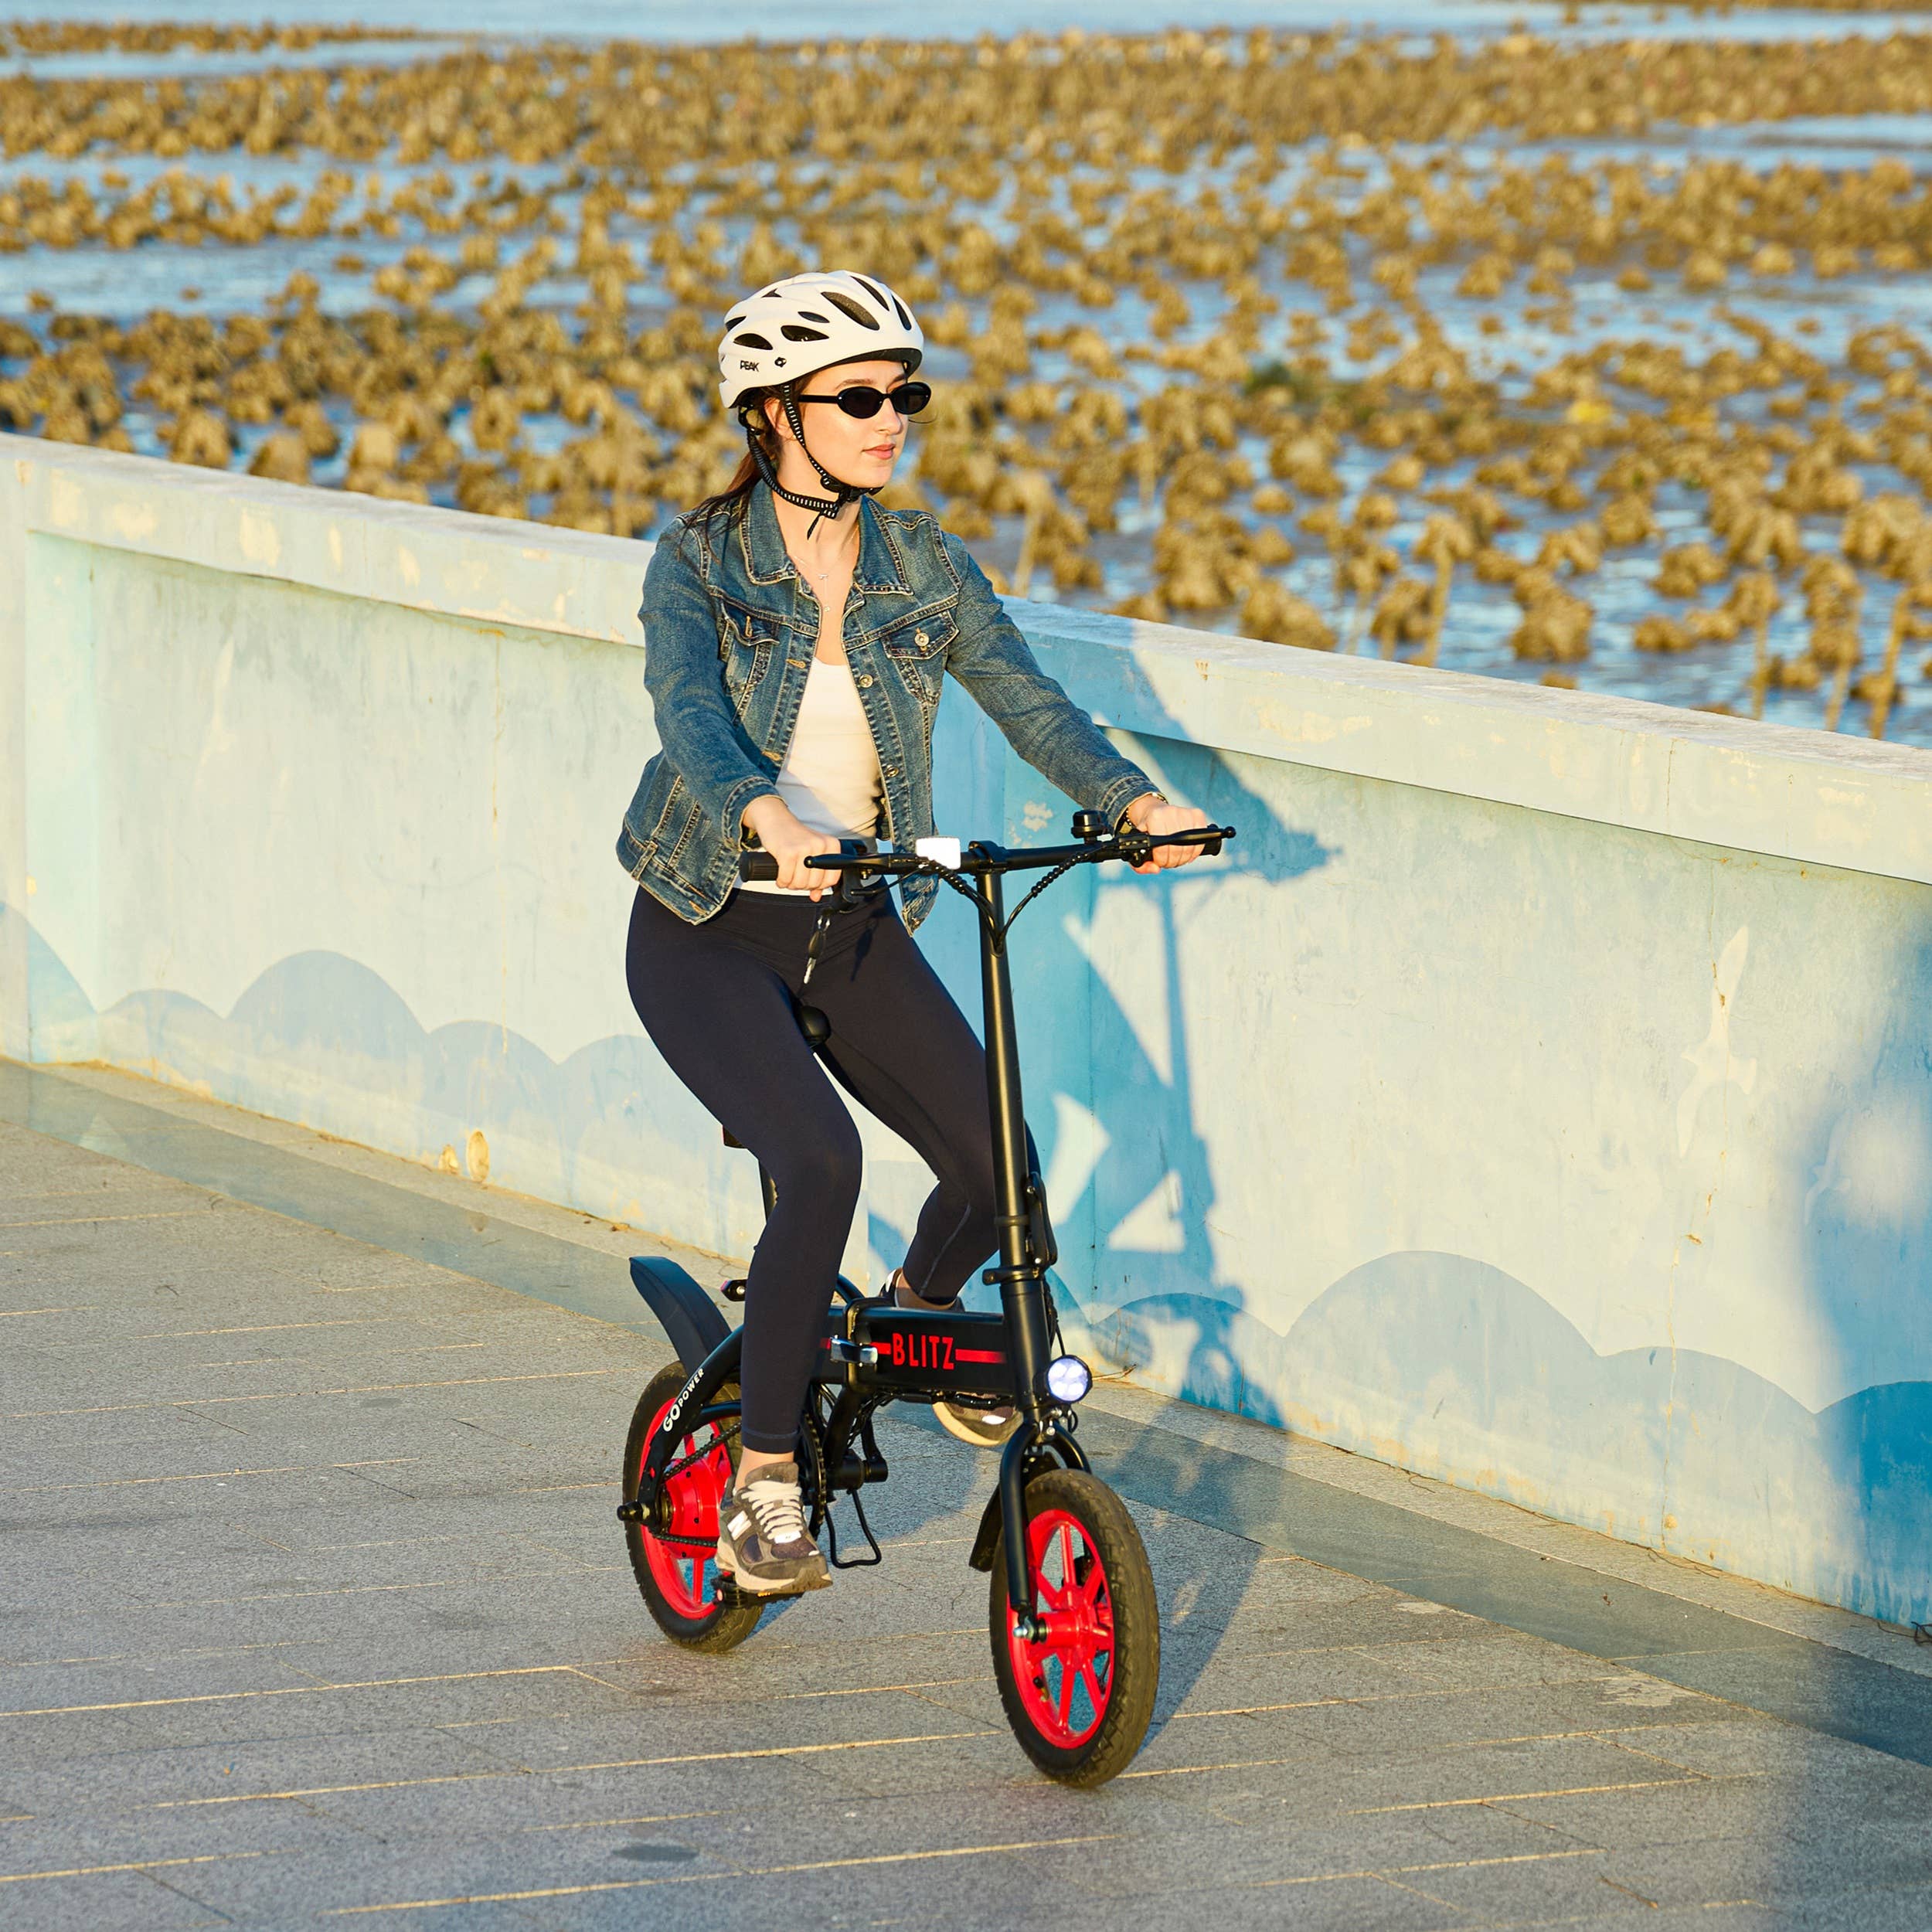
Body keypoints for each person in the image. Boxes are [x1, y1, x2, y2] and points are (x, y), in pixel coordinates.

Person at [617, 270, 1209, 1595]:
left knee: (1005, 1164)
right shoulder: (698, 561)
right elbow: (690, 717)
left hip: (857, 923)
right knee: (818, 1160)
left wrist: (1131, 800)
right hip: (709, 925)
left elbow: (1025, 697)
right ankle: (766, 1481)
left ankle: (919, 1321)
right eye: (862, 397)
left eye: (908, 394)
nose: (894, 419)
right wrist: (769, 814)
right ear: (773, 414)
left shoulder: (921, 564)